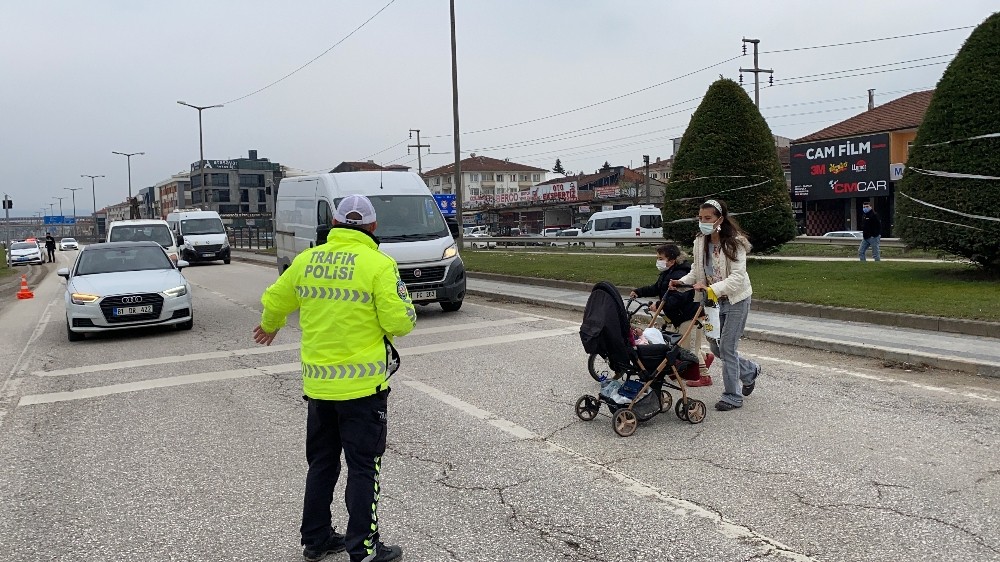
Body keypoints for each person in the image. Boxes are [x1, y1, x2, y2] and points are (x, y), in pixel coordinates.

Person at [253, 194, 416, 562]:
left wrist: (270, 325)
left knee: (322, 464)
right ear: (373, 226)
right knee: (363, 468)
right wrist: (405, 313)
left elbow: (275, 298)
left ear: (335, 224)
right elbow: (399, 322)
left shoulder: (307, 260)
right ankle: (364, 549)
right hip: (362, 390)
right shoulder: (379, 264)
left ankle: (316, 539)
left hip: (319, 388)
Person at [670, 199, 761, 412]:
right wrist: (681, 282)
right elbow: (696, 271)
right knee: (715, 347)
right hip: (712, 302)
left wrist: (710, 288)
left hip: (736, 300)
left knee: (727, 348)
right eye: (700, 218)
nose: (703, 222)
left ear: (720, 219)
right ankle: (749, 371)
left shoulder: (734, 244)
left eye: (708, 218)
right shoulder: (700, 242)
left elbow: (737, 278)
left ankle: (732, 396)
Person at [629, 244, 713, 386]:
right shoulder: (668, 273)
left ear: (672, 260)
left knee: (689, 349)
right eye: (657, 258)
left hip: (690, 316)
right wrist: (639, 291)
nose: (658, 261)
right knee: (679, 346)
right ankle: (706, 357)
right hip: (678, 318)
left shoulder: (680, 275)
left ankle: (705, 376)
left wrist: (659, 305)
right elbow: (657, 288)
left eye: (661, 258)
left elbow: (678, 298)